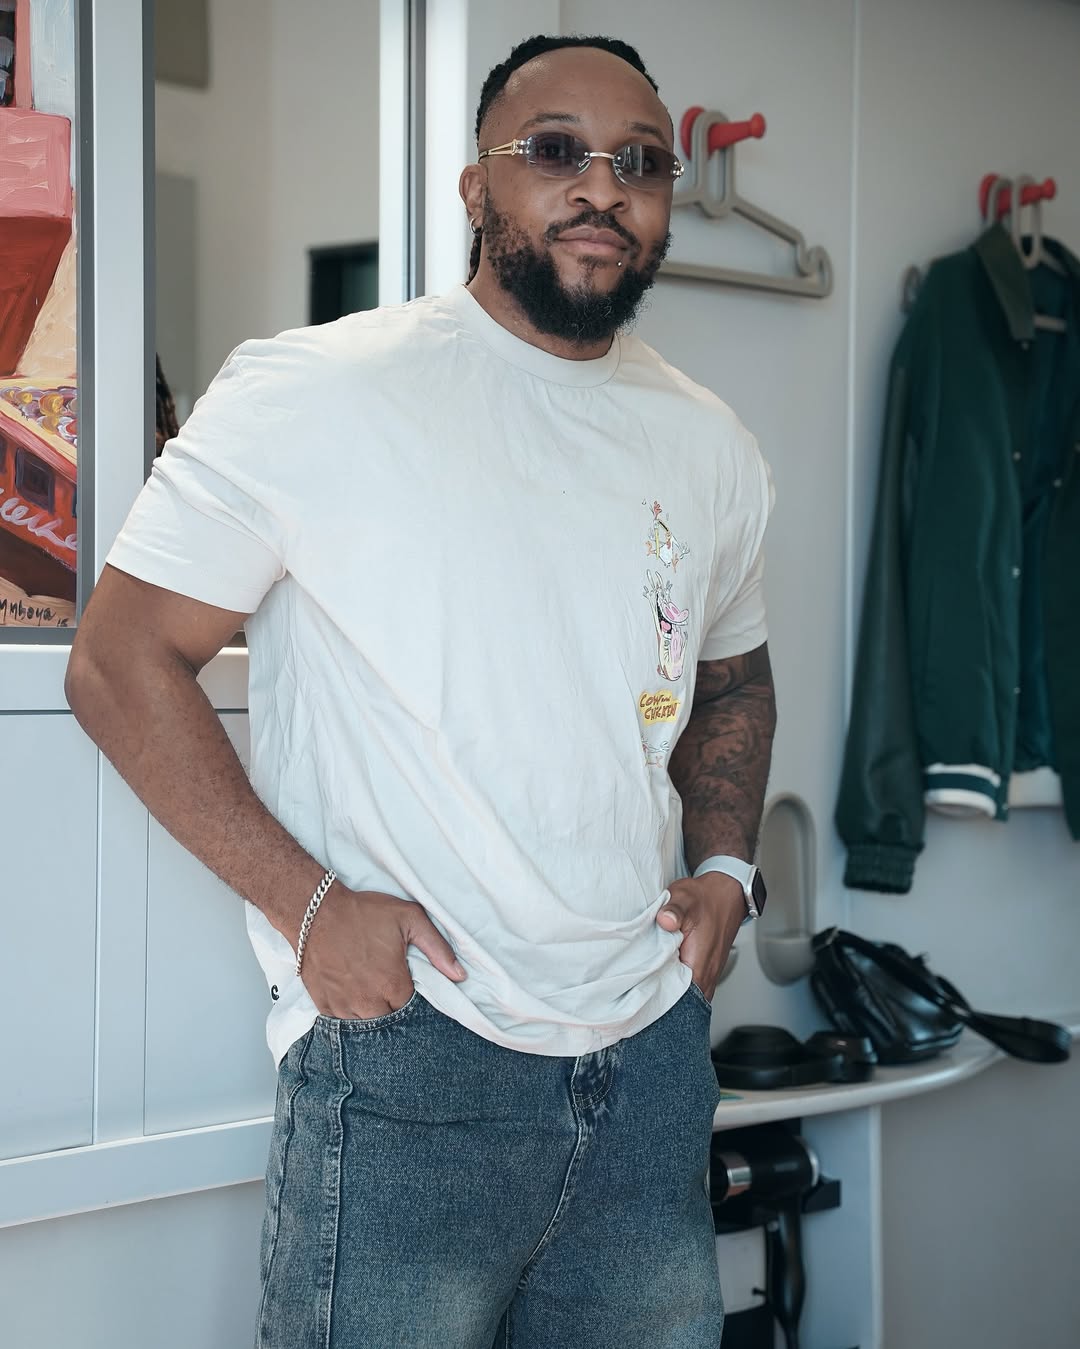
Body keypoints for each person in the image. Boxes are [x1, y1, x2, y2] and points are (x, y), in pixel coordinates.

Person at [66, 33, 776, 1349]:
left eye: (640, 162)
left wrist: (728, 867)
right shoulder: (317, 391)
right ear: (474, 187)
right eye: (555, 151)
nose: (601, 187)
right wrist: (308, 906)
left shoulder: (710, 442)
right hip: (413, 1053)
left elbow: (733, 679)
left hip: (650, 1058)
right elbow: (118, 660)